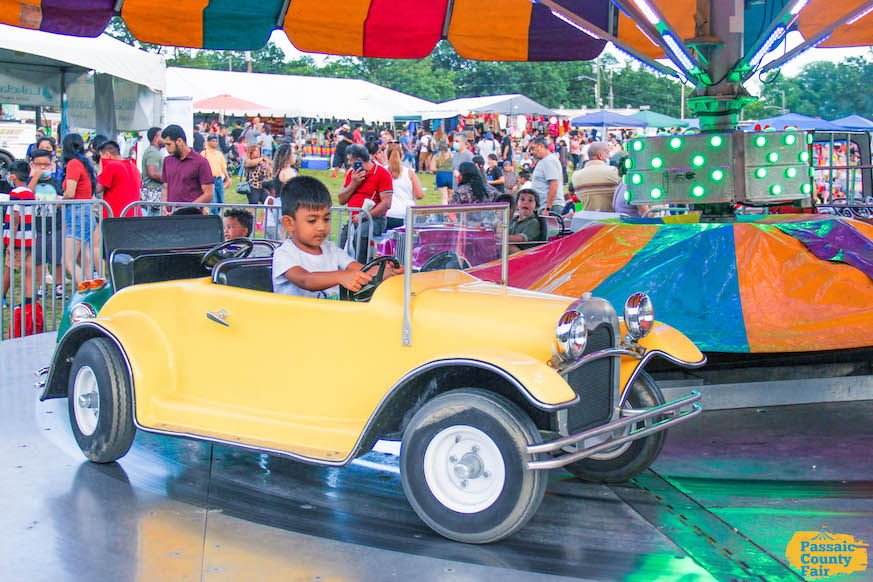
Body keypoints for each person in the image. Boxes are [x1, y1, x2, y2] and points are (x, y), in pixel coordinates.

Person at [272, 176, 401, 299]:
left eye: (326, 219)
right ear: (289, 223)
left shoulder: (331, 250)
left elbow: (361, 269)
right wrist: (341, 276)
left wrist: (388, 272)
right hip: (293, 320)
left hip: (330, 318)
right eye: (312, 221)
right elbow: (305, 280)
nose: (321, 227)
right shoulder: (284, 254)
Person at [338, 143, 393, 263]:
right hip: (353, 219)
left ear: (358, 160)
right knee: (343, 240)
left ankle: (362, 268)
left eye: (350, 160)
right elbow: (341, 199)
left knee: (360, 235)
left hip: (374, 219)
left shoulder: (382, 174)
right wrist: (353, 183)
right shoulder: (353, 174)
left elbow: (386, 203)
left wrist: (365, 215)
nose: (348, 163)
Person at [26, 148, 64, 298]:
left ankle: (59, 286)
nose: (42, 168)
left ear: (52, 165)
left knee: (57, 257)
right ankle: (42, 286)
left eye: (46, 165)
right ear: (32, 165)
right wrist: (35, 177)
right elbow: (27, 195)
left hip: (55, 225)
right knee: (39, 258)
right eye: (38, 164)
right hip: (37, 226)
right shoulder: (30, 182)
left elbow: (62, 198)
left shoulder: (56, 182)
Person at [61, 133, 97, 280]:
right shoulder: (84, 163)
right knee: (85, 257)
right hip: (86, 212)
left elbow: (70, 192)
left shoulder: (73, 164)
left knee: (68, 261)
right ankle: (90, 290)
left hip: (77, 213)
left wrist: (59, 200)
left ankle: (83, 290)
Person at [160, 124, 214, 214]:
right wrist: (164, 207)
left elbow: (209, 193)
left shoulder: (200, 162)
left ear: (179, 141)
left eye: (169, 144)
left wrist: (187, 209)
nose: (167, 148)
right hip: (170, 217)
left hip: (191, 218)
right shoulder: (167, 160)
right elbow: (166, 188)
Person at [3, 160, 35, 301]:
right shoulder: (30, 192)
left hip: (18, 238)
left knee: (10, 268)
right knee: (28, 268)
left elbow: (15, 218)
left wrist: (10, 241)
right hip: (29, 237)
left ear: (13, 177)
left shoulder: (15, 193)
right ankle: (29, 299)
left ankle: (2, 296)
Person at [96, 141, 141, 219]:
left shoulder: (111, 166)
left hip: (116, 217)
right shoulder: (133, 166)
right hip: (135, 215)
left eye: (101, 156)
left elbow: (98, 188)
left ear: (107, 154)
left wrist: (100, 170)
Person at [385, 143, 425, 229]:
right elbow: (420, 195)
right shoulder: (409, 172)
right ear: (402, 155)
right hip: (405, 214)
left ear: (387, 156)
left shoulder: (382, 171)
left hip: (387, 214)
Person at [571, 142, 620, 212]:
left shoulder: (576, 176)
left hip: (588, 219)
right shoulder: (613, 171)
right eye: (607, 153)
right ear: (600, 155)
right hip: (610, 219)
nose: (609, 156)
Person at [529, 136, 564, 216]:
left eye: (533, 148)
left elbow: (554, 184)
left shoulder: (549, 161)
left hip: (551, 208)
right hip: (543, 206)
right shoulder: (543, 161)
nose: (531, 152)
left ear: (541, 146)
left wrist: (548, 208)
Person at [611, 153, 650, 218]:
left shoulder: (622, 184)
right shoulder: (635, 188)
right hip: (634, 225)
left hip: (623, 223)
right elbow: (647, 215)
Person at [506, 186, 541, 254]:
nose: (525, 202)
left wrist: (503, 237)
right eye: (522, 199)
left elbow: (521, 238)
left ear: (535, 207)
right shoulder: (513, 220)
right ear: (516, 205)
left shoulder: (533, 222)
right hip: (513, 250)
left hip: (526, 253)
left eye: (530, 200)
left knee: (506, 247)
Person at [203, 134, 231, 213]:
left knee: (221, 201)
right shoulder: (204, 153)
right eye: (213, 141)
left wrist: (228, 177)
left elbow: (223, 167)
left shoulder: (219, 153)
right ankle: (214, 216)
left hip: (218, 179)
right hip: (210, 179)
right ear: (208, 142)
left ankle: (216, 216)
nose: (215, 143)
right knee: (213, 201)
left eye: (216, 141)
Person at [140, 127, 164, 216]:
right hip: (154, 196)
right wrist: (170, 179)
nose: (165, 139)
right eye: (162, 136)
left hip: (154, 197)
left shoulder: (154, 152)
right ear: (156, 139)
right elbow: (152, 173)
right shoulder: (153, 153)